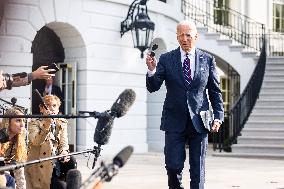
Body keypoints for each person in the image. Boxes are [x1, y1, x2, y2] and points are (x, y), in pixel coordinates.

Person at [146, 20, 224, 189]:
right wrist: (152, 70)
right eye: (181, 35)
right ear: (177, 37)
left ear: (196, 36)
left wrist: (218, 116)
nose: (184, 38)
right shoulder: (167, 59)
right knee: (173, 166)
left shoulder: (208, 60)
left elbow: (215, 92)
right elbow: (153, 87)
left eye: (188, 35)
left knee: (198, 168)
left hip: (200, 121)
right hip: (174, 120)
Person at [25, 94, 75, 189]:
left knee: (72, 161)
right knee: (61, 186)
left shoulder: (61, 122)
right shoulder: (34, 123)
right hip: (40, 165)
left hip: (55, 163)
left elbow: (63, 143)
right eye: (47, 105)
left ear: (58, 109)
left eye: (54, 106)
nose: (51, 108)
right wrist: (47, 124)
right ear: (41, 109)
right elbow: (36, 141)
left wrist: (64, 151)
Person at [0, 107, 27, 189]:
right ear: (8, 122)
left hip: (4, 173)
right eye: (18, 120)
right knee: (10, 180)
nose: (22, 124)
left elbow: (19, 171)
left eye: (23, 121)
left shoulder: (19, 141)